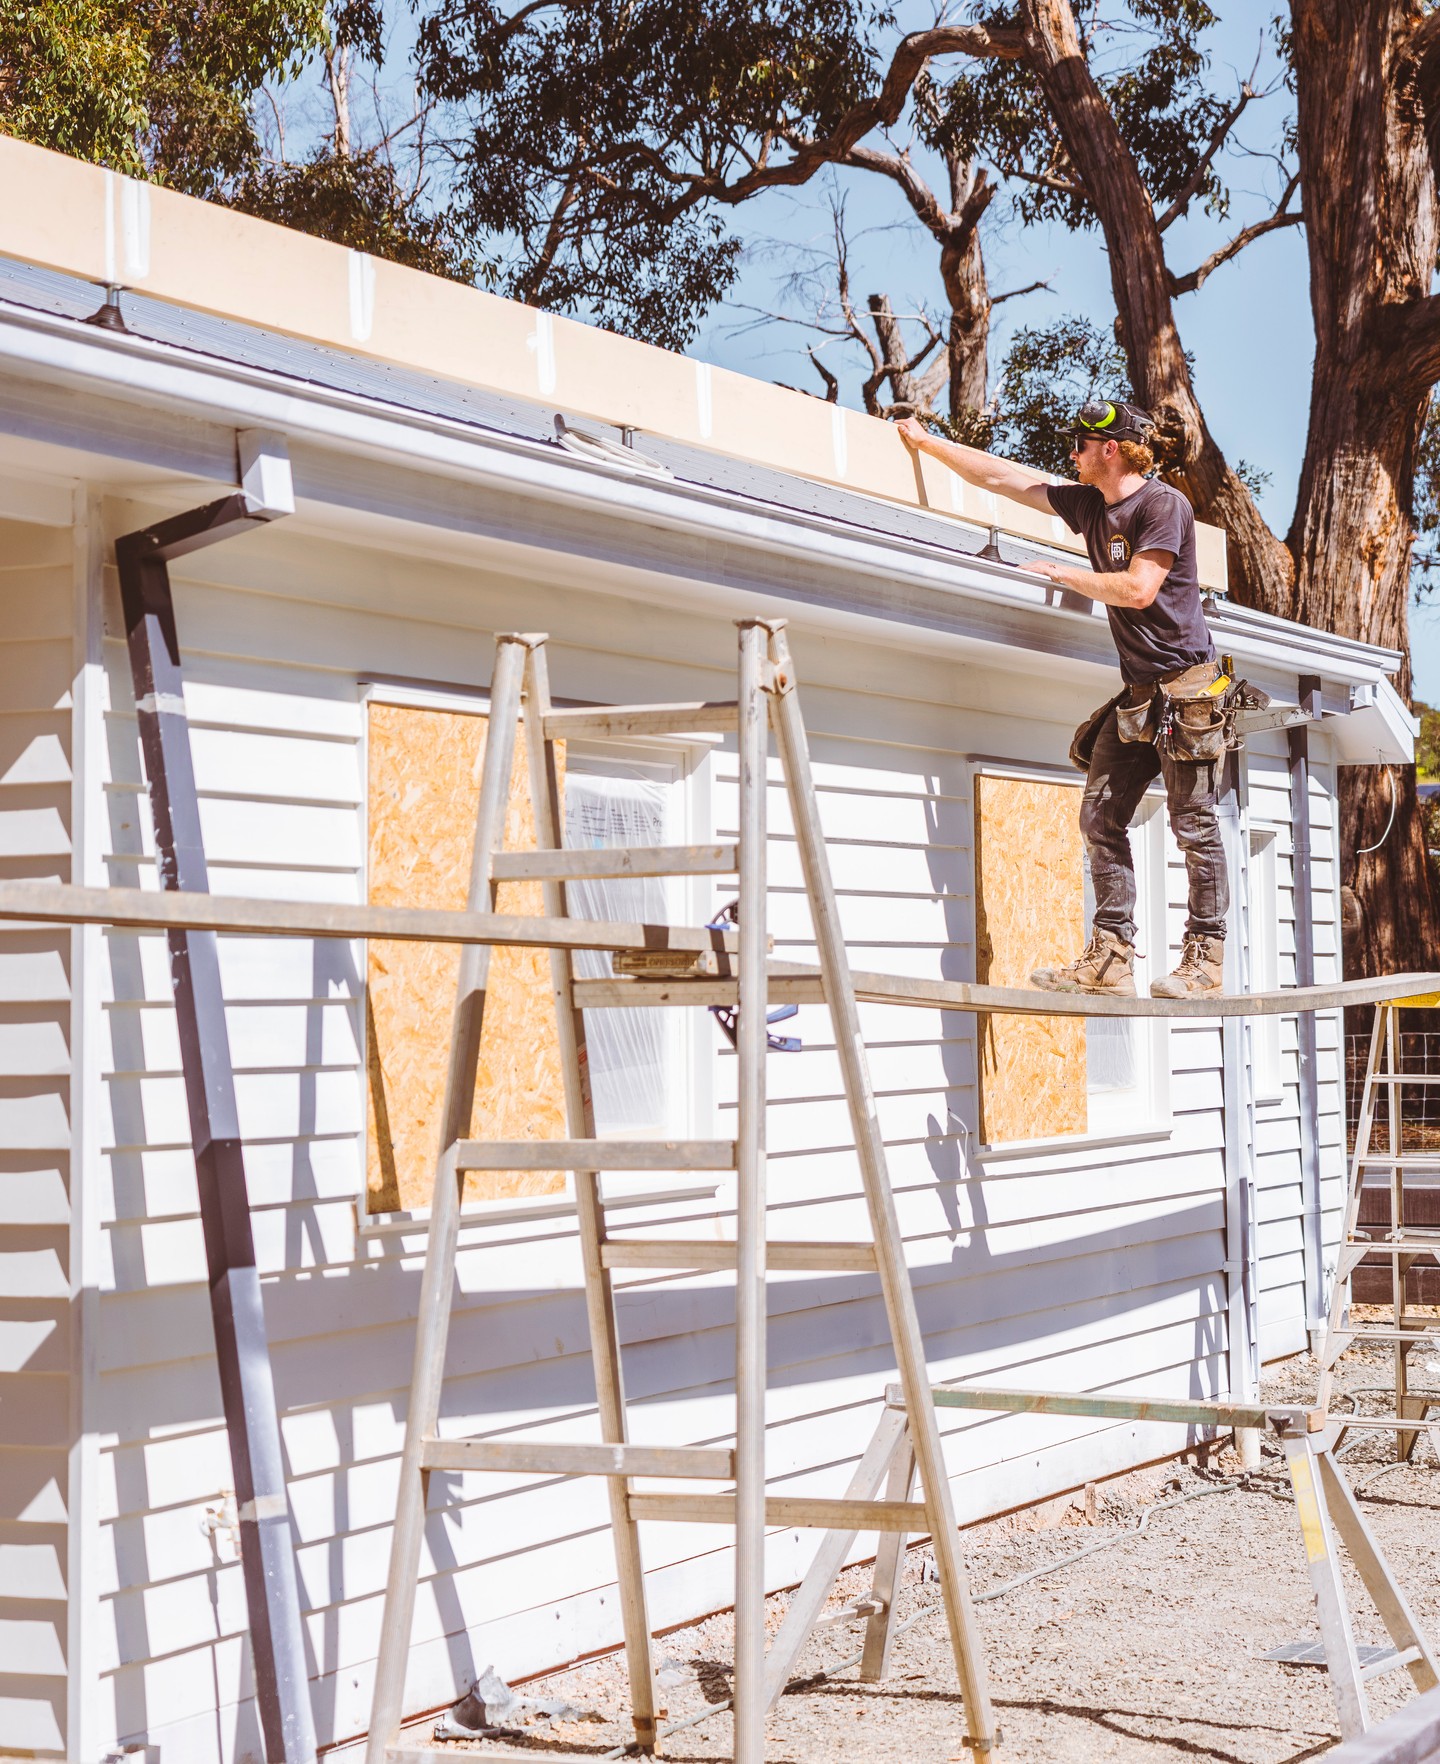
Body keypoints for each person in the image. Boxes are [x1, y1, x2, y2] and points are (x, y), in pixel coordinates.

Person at [897, 400, 1229, 999]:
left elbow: (1138, 588)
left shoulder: (1162, 505)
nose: (1070, 454)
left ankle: (1205, 962)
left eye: (1080, 444)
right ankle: (1111, 958)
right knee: (1100, 817)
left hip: (1189, 690)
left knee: (1193, 824)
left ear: (1111, 449)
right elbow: (1004, 477)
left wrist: (1063, 571)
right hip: (1140, 695)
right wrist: (927, 443)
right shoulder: (1088, 505)